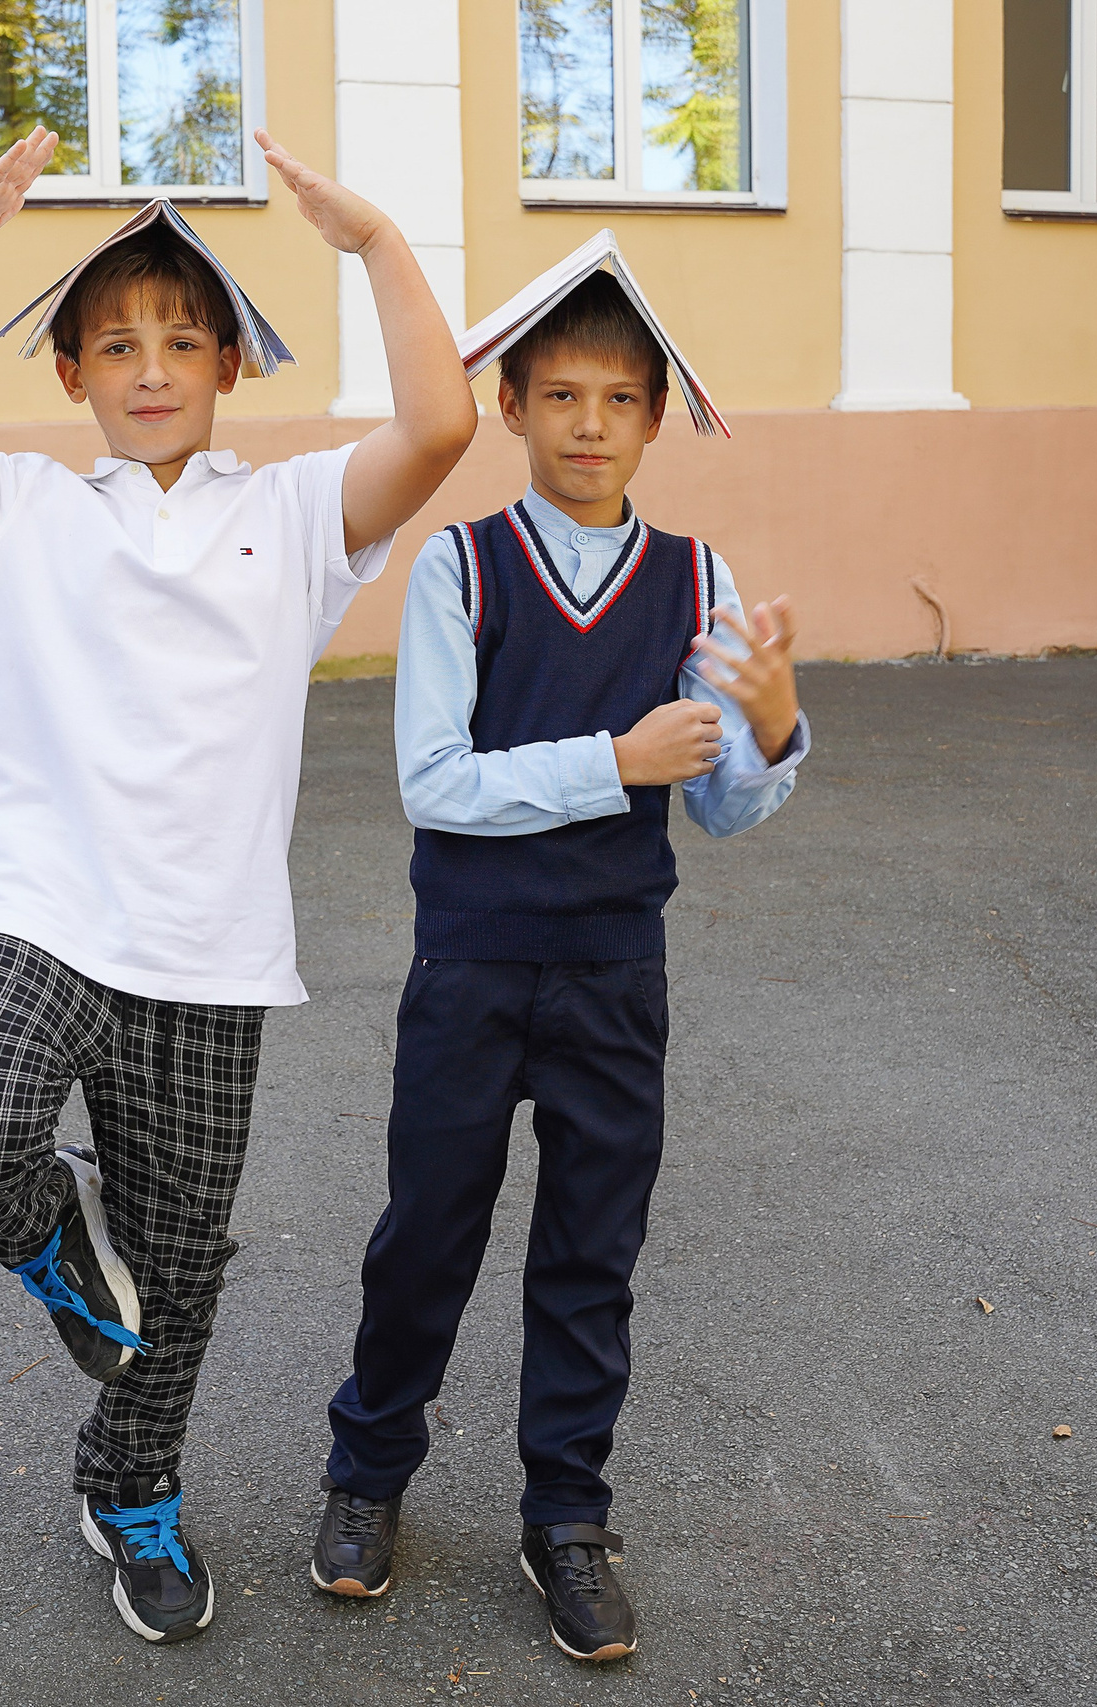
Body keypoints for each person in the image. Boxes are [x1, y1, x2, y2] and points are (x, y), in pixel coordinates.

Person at [0, 125, 476, 1643]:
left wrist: (375, 243)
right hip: (34, 903)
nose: (153, 367)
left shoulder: (295, 517)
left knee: (177, 1273)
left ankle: (131, 1488)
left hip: (207, 945)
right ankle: (59, 1243)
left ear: (232, 361)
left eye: (184, 339)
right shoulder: (26, 506)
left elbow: (439, 426)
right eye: (116, 344)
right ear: (72, 376)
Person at [308, 271, 808, 1664]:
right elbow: (434, 783)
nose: (591, 423)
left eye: (621, 399)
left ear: (656, 419)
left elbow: (720, 807)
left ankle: (568, 1516)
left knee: (592, 1253)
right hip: (470, 966)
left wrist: (772, 725)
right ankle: (367, 1477)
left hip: (613, 972)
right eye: (564, 396)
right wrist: (614, 762)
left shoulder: (695, 580)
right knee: (427, 1237)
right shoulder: (461, 567)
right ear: (512, 406)